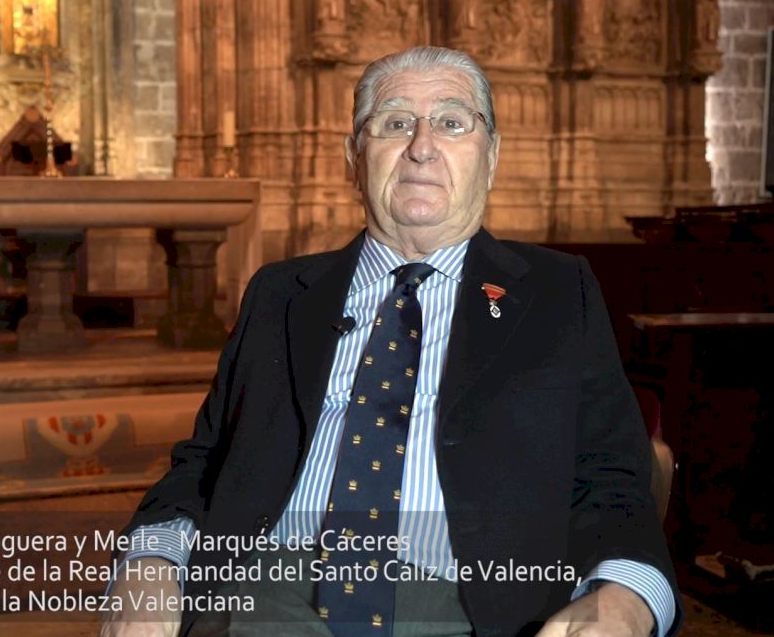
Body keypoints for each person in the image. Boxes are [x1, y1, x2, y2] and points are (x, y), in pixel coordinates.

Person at [102, 46, 680, 637]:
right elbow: (202, 463)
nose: (421, 146)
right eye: (396, 122)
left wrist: (627, 597)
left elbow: (612, 478)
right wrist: (149, 563)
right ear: (354, 157)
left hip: (475, 607)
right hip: (265, 593)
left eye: (451, 122)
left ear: (491, 156)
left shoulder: (558, 291)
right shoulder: (280, 294)